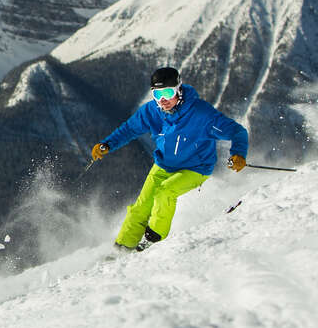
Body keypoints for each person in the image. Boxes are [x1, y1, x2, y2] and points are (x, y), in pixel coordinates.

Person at [90, 67, 248, 253]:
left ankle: (153, 239)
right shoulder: (152, 111)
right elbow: (129, 129)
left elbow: (238, 132)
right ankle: (122, 249)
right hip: (164, 165)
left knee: (165, 192)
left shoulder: (202, 114)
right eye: (157, 94)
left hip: (195, 168)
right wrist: (107, 144)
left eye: (167, 92)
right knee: (141, 207)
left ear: (179, 90)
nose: (163, 100)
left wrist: (238, 154)